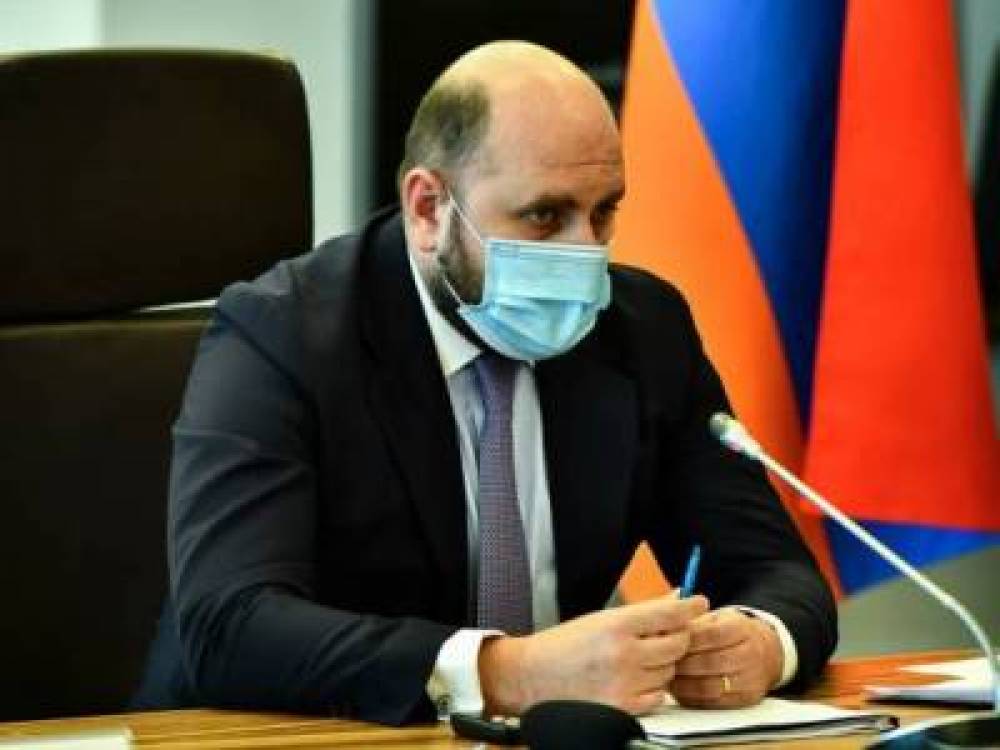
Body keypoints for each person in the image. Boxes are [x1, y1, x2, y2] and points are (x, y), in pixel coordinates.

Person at [133, 41, 836, 725]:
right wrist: (506, 672)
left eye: (604, 212)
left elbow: (778, 572)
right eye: (545, 216)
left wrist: (758, 643)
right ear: (428, 209)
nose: (585, 252)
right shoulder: (281, 334)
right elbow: (232, 624)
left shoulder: (642, 329)